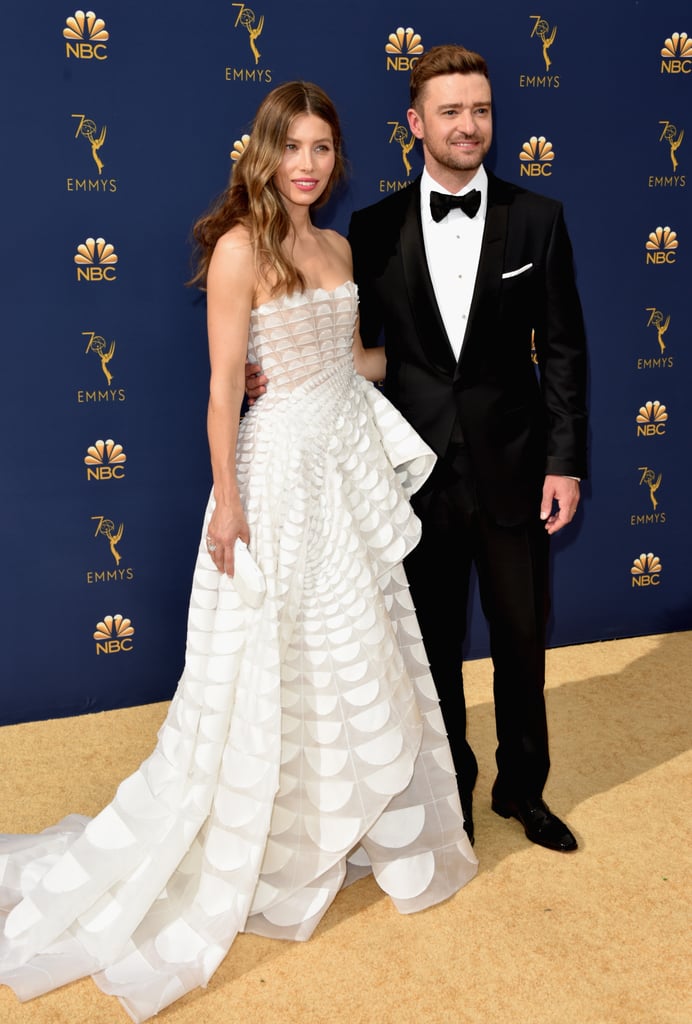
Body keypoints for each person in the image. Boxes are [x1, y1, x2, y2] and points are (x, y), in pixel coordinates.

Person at [0, 81, 477, 1023]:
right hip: (279, 472)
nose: (308, 163)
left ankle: (336, 823)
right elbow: (224, 386)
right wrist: (227, 501)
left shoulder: (336, 247)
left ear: (337, 159)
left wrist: (455, 355)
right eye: (293, 146)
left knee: (354, 645)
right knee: (276, 653)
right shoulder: (238, 249)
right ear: (263, 152)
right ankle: (270, 834)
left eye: (323, 149)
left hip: (344, 462)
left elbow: (353, 363)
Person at [247, 46, 588, 853]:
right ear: (417, 124)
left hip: (515, 467)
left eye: (481, 110)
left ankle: (524, 790)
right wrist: (275, 373)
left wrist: (564, 461)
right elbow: (350, 341)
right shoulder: (369, 228)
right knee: (429, 647)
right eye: (451, 111)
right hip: (410, 475)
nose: (468, 125)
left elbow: (567, 351)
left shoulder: (539, 218)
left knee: (520, 641)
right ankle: (453, 791)